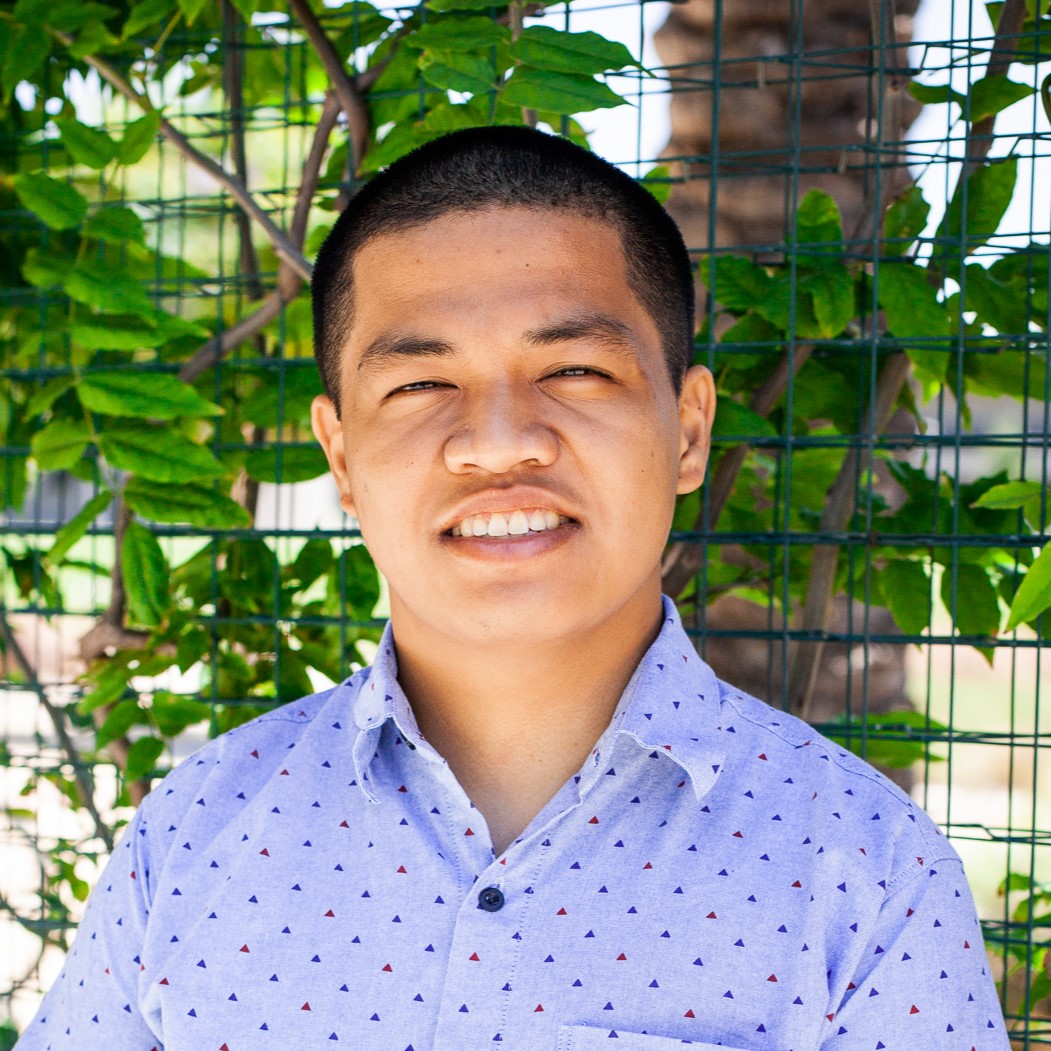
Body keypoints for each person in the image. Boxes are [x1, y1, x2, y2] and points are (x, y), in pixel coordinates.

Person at [17, 126, 1008, 1050]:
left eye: (572, 368)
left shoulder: (868, 873)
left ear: (690, 432)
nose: (499, 441)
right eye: (419, 383)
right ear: (341, 454)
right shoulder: (191, 834)